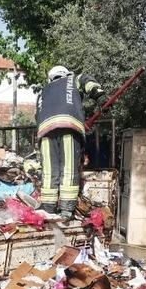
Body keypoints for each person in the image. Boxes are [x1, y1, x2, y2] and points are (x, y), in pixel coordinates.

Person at [35, 66, 104, 219]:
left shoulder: (42, 92)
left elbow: (37, 115)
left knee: (49, 171)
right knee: (68, 168)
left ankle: (48, 207)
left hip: (45, 131)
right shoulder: (73, 80)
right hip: (69, 126)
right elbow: (88, 83)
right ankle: (66, 209)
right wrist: (100, 96)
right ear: (66, 74)